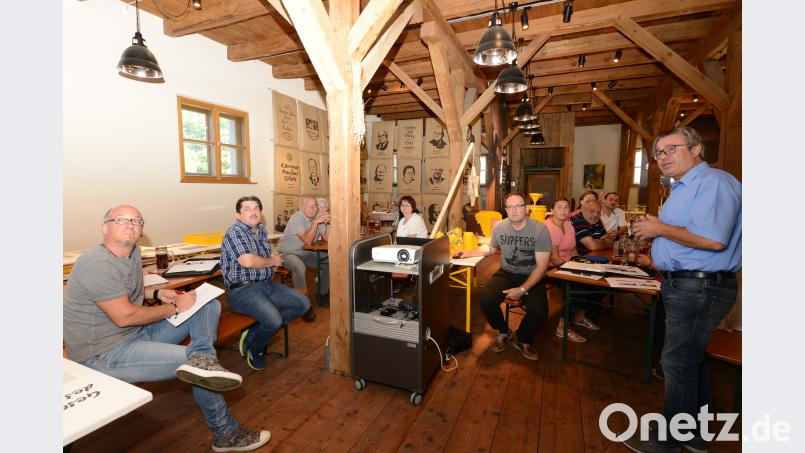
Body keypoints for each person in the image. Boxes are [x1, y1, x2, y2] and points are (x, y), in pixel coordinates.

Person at [64, 205, 270, 452]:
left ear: (141, 229)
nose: (130, 225)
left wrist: (159, 292)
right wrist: (175, 308)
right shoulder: (97, 263)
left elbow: (130, 290)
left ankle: (203, 355)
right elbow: (125, 316)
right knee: (198, 367)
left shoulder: (132, 253)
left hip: (136, 335)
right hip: (103, 353)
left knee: (207, 305)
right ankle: (226, 434)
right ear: (104, 227)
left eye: (136, 221)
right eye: (121, 220)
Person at [623, 127, 741, 453]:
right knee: (691, 358)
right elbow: (689, 240)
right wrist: (656, 254)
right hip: (687, 283)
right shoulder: (684, 188)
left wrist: (658, 228)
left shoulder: (714, 183)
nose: (663, 157)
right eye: (658, 153)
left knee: (676, 361)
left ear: (696, 148)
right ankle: (695, 433)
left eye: (670, 149)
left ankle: (669, 439)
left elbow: (714, 239)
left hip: (699, 287)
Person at [455, 193, 552, 361]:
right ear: (506, 209)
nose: (514, 211)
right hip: (507, 273)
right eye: (510, 207)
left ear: (526, 208)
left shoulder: (540, 229)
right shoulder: (500, 227)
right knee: (486, 300)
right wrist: (470, 252)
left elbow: (542, 267)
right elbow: (491, 249)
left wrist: (522, 290)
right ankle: (504, 331)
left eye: (518, 206)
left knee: (540, 312)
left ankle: (522, 338)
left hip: (532, 275)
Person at [221, 196, 313, 371]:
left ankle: (254, 333)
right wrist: (272, 261)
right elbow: (247, 261)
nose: (253, 212)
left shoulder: (261, 230)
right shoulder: (235, 232)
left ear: (260, 212)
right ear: (238, 214)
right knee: (273, 320)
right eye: (247, 209)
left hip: (266, 285)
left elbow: (270, 255)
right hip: (242, 290)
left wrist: (274, 259)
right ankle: (255, 349)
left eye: (256, 208)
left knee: (303, 303)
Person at [542, 198, 589, 343]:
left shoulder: (569, 225)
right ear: (552, 210)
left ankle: (579, 316)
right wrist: (575, 270)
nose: (563, 210)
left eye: (566, 207)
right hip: (550, 268)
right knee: (576, 287)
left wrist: (583, 264)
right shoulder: (548, 227)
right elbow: (554, 258)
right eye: (559, 207)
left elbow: (573, 250)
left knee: (592, 282)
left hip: (568, 264)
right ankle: (562, 326)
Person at [276, 195, 331, 305]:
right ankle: (302, 301)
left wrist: (329, 222)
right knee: (299, 266)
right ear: (303, 207)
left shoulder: (317, 218)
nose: (312, 208)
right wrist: (315, 222)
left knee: (329, 261)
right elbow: (307, 241)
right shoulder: (297, 217)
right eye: (308, 205)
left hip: (305, 253)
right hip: (287, 253)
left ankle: (322, 294)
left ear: (317, 208)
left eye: (314, 206)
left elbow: (327, 238)